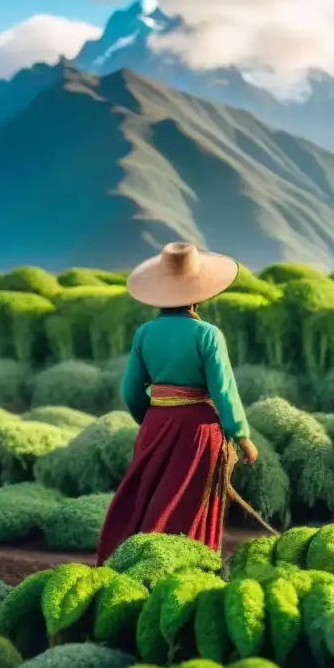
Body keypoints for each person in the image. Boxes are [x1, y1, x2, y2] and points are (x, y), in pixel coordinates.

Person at [95, 242, 259, 565]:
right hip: (198, 432)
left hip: (155, 425)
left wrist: (155, 418)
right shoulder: (208, 335)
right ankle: (182, 573)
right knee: (186, 507)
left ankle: (133, 564)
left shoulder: (144, 334)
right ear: (199, 293)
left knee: (148, 500)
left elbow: (130, 391)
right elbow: (223, 390)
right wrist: (242, 437)